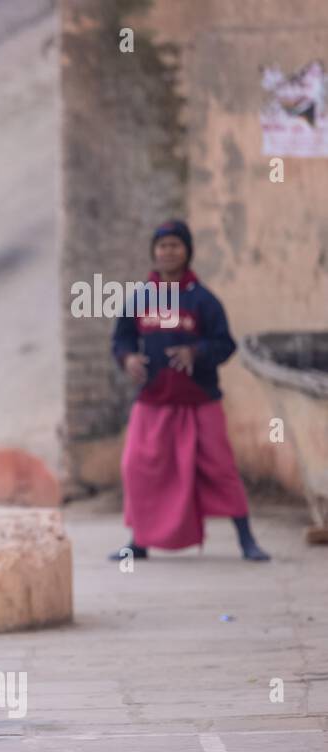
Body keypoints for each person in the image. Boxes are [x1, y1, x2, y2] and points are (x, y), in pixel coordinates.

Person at [110, 220, 270, 562]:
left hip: (199, 400)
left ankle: (247, 540)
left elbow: (225, 344)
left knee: (220, 468)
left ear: (187, 251)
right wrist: (128, 359)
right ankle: (138, 541)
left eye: (175, 245)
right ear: (153, 252)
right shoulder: (140, 298)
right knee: (136, 467)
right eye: (162, 245)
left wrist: (195, 353)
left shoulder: (203, 300)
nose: (168, 251)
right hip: (153, 400)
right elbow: (121, 338)